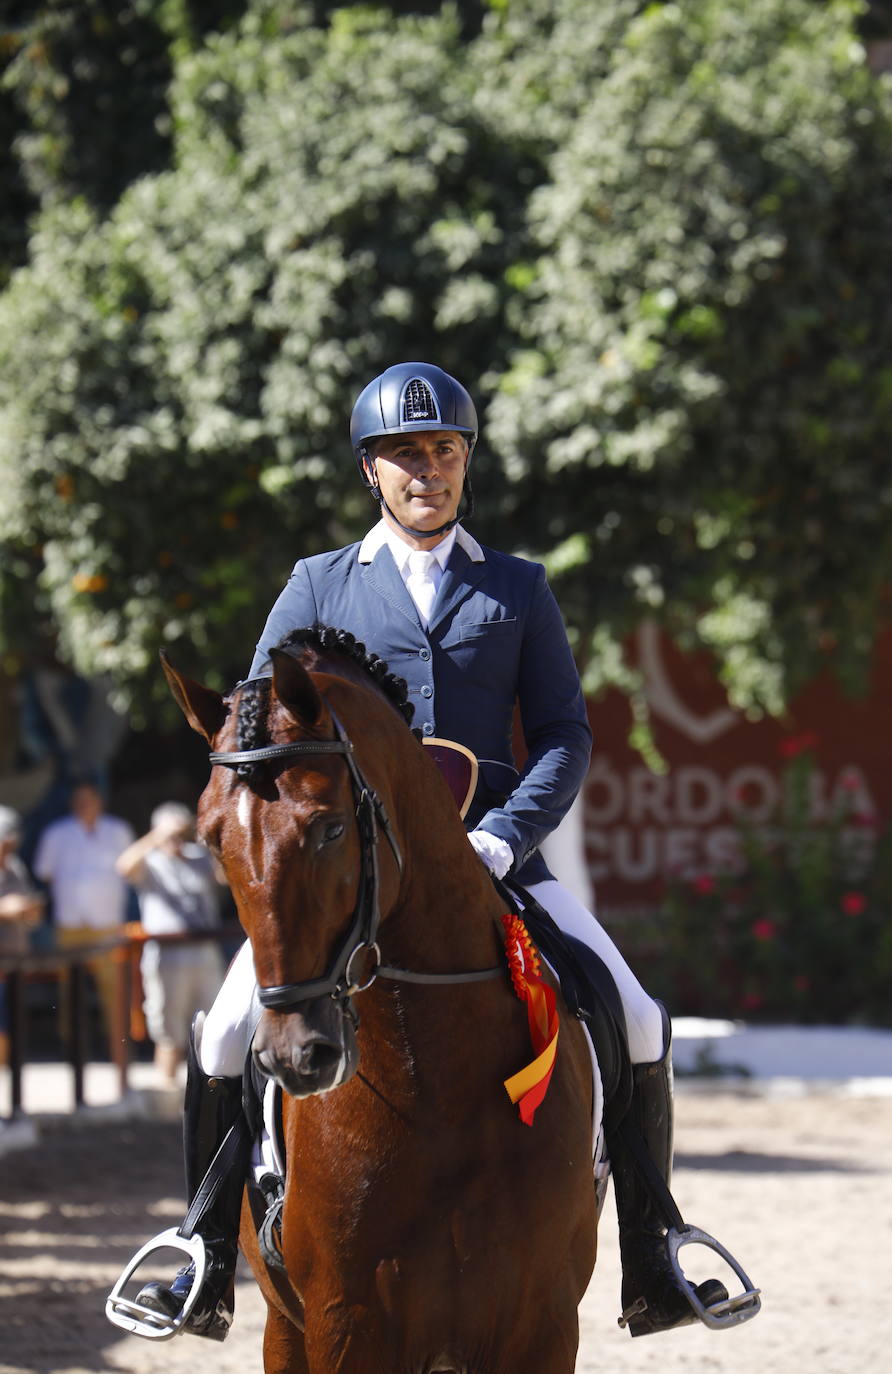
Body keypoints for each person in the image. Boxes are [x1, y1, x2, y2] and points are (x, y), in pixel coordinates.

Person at [131, 362, 744, 1342]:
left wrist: (504, 837)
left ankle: (655, 1245)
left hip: (498, 863)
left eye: (445, 452)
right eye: (407, 455)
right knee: (217, 1033)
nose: (429, 471)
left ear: (465, 464)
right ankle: (202, 1250)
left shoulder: (515, 588)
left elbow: (562, 735)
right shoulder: (317, 584)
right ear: (371, 470)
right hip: (343, 876)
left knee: (634, 1014)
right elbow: (252, 729)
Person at [116, 803, 227, 1085]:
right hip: (167, 955)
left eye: (181, 832)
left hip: (204, 951)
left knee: (213, 1024)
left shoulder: (198, 856)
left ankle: (209, 1089)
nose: (177, 839)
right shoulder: (150, 861)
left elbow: (226, 876)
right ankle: (167, 1089)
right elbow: (124, 866)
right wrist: (158, 836)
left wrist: (209, 839)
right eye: (171, 833)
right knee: (169, 1029)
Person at [33, 780, 134, 1061]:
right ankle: (74, 1053)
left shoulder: (118, 830)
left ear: (99, 801)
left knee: (114, 991)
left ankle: (120, 1054)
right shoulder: (57, 833)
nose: (84, 805)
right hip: (70, 924)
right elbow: (46, 873)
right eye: (79, 800)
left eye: (88, 799)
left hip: (107, 924)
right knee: (70, 994)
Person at [0, 805, 45, 1065]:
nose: (9, 848)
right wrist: (6, 909)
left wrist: (30, 910)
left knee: (11, 1023)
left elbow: (28, 905)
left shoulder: (14, 866)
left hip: (15, 962)